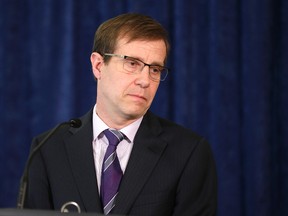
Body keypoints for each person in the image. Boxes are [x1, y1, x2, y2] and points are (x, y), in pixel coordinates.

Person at [22, 13, 217, 215]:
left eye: (155, 69)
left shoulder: (188, 153)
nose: (145, 80)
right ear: (98, 65)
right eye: (132, 63)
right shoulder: (47, 149)